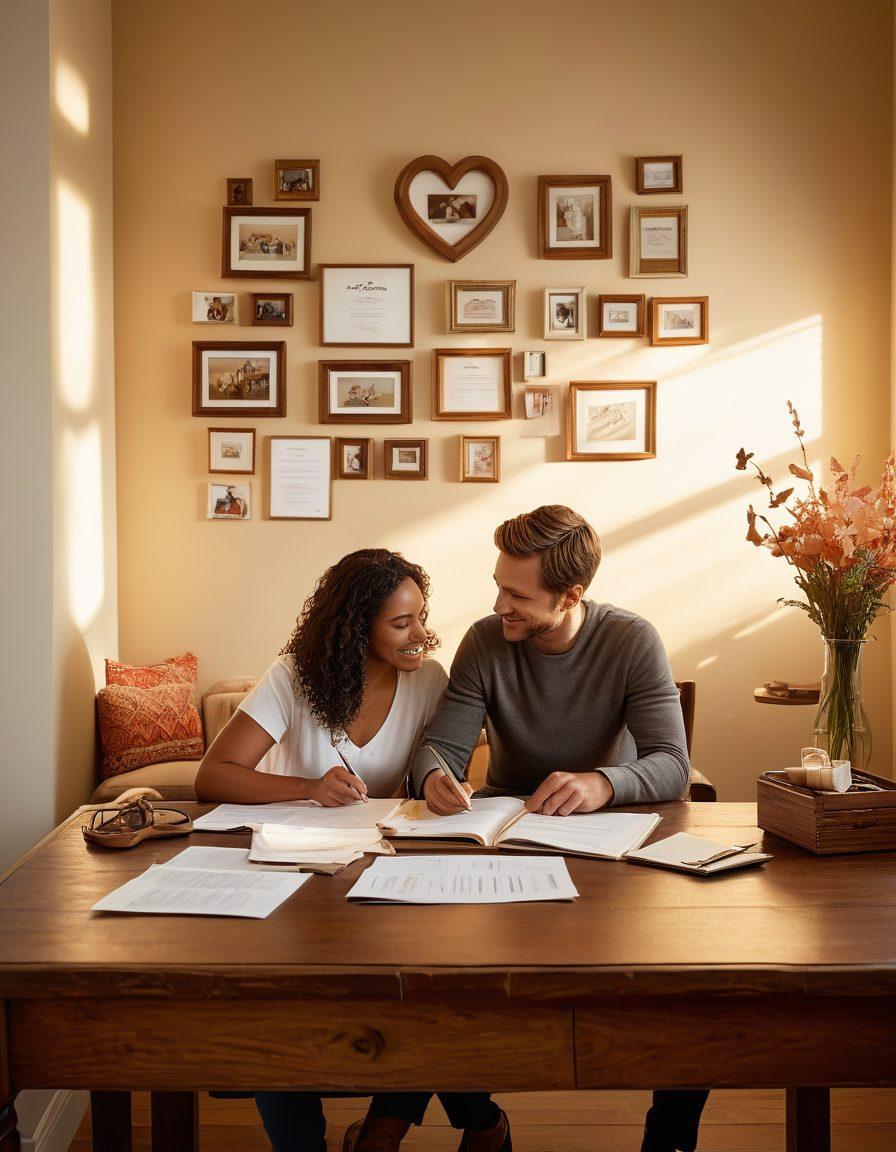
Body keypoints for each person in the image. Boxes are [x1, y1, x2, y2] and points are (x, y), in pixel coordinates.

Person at [411, 505, 708, 1152]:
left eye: (517, 594)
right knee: (431, 970)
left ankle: (671, 1134)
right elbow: (441, 747)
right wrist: (434, 776)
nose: (499, 604)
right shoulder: (486, 642)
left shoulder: (631, 639)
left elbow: (672, 765)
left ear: (572, 595)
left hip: (612, 850)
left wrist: (603, 782)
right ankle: (481, 1120)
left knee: (691, 982)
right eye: (498, 585)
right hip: (506, 838)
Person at [194, 549, 510, 1152]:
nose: (421, 634)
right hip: (295, 878)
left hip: (382, 872)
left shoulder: (430, 679)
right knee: (279, 1014)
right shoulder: (293, 678)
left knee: (431, 993)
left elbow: (448, 757)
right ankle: (465, 1124)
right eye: (401, 623)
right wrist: (308, 789)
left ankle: (420, 1126)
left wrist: (443, 780)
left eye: (422, 616)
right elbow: (215, 775)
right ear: (354, 627)